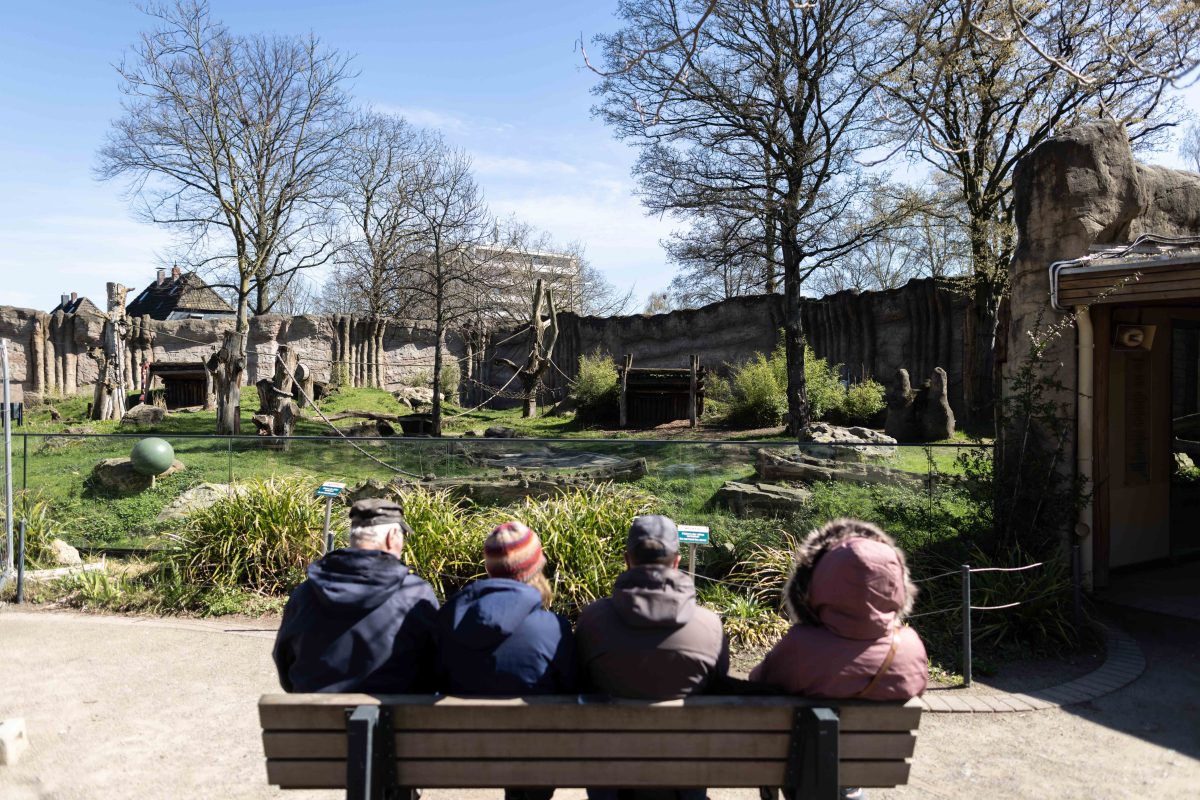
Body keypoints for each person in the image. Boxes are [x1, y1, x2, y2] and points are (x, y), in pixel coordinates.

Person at [749, 518, 928, 800]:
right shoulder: (910, 647)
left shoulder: (801, 646)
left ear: (819, 581)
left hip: (803, 772)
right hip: (861, 770)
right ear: (895, 583)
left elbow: (760, 682)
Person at [575, 514, 728, 800]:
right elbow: (718, 690)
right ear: (677, 561)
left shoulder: (593, 621)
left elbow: (580, 684)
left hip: (611, 788)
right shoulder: (709, 626)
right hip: (685, 787)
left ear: (626, 559)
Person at [436, 520, 575, 800]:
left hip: (457, 755)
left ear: (489, 567)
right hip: (532, 760)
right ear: (535, 568)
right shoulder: (552, 629)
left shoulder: (447, 620)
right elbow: (574, 691)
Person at [273, 498, 439, 693]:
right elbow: (436, 664)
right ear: (392, 536)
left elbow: (284, 659)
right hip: (395, 719)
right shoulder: (416, 594)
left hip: (313, 719)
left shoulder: (306, 592)